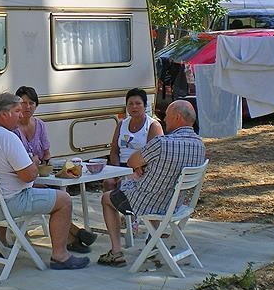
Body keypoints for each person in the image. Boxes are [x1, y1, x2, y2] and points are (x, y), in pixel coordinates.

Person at [0, 92, 89, 270]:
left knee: (42, 190)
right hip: (7, 204)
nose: (21, 115)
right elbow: (29, 175)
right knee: (64, 200)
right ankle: (60, 255)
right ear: (4, 113)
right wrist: (34, 162)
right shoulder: (7, 137)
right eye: (17, 111)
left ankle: (0, 245)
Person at [97, 100, 206, 267]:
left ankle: (116, 252)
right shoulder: (200, 145)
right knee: (153, 189)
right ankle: (153, 242)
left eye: (167, 116)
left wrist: (141, 164)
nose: (164, 120)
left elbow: (133, 161)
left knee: (107, 198)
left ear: (177, 117)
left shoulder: (162, 143)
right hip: (174, 205)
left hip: (151, 204)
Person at [14, 86, 97, 254]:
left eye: (31, 103)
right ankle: (74, 233)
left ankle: (71, 237)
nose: (27, 107)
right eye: (23, 103)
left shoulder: (40, 125)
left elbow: (46, 153)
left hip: (40, 174)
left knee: (59, 191)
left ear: (36, 105)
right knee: (56, 197)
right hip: (22, 179)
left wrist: (45, 163)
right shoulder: (12, 129)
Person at [103, 88, 164, 192]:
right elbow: (114, 151)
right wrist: (118, 172)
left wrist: (137, 168)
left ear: (145, 106)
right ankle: (113, 206)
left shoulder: (153, 126)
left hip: (140, 168)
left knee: (128, 183)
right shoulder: (122, 124)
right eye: (130, 104)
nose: (134, 107)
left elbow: (153, 154)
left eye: (138, 103)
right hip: (121, 167)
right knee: (108, 182)